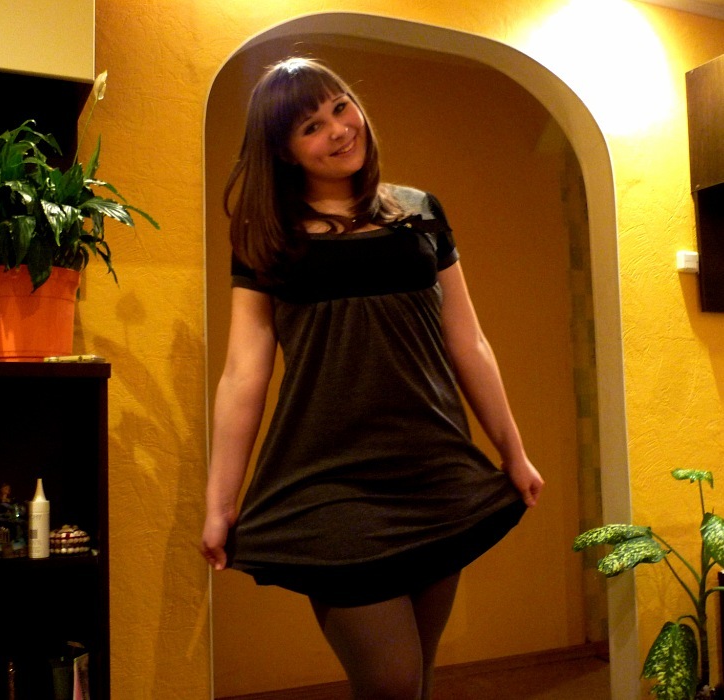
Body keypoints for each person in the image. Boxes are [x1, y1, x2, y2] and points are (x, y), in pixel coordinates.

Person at [201, 56, 544, 700]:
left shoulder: (420, 211)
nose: (338, 130)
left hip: (434, 469)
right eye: (310, 126)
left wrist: (513, 451)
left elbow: (467, 340)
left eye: (340, 107)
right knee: (390, 684)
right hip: (331, 483)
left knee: (417, 679)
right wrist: (220, 505)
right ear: (284, 151)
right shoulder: (266, 235)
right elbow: (243, 372)